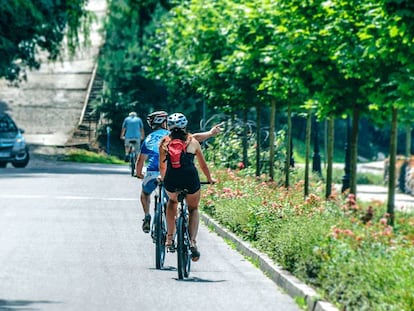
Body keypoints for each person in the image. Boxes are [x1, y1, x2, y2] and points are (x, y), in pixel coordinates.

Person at [136, 111, 222, 234]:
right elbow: (195, 138)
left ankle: (147, 215)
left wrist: (139, 174)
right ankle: (175, 231)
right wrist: (211, 133)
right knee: (173, 203)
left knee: (145, 193)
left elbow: (140, 160)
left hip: (152, 173)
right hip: (172, 173)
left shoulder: (149, 138)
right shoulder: (172, 136)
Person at [159, 113, 215, 262]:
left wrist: (164, 180)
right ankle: (192, 242)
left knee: (172, 202)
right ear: (185, 126)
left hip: (172, 179)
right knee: (193, 209)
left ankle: (170, 239)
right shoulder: (193, 141)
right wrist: (209, 179)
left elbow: (162, 166)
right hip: (190, 179)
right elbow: (203, 165)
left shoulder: (164, 142)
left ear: (169, 127)